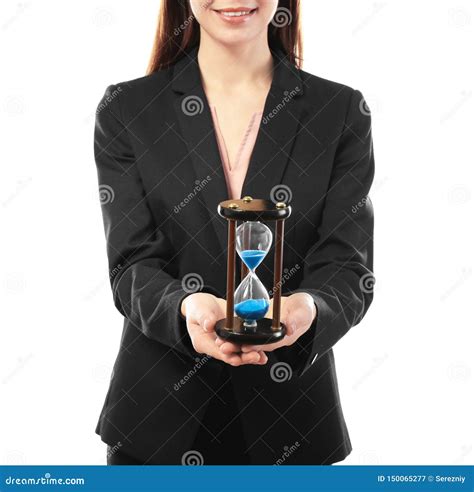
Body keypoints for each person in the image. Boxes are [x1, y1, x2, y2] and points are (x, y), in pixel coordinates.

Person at [94, 0, 375, 465]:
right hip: (156, 424)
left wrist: (306, 309)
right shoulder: (126, 109)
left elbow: (347, 266)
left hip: (293, 424)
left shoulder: (340, 110)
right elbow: (131, 264)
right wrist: (186, 308)